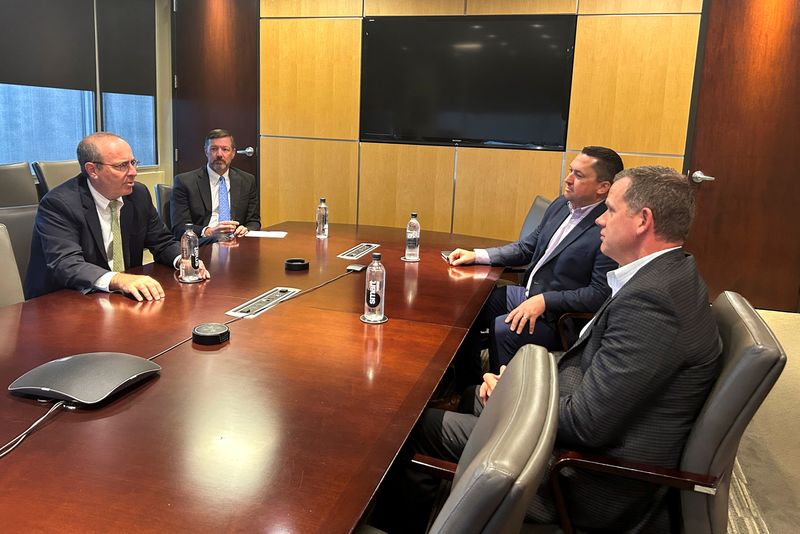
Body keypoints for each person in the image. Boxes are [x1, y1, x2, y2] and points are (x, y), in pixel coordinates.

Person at [385, 166, 722, 533]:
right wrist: (516, 378)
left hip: (584, 480)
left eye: (610, 210)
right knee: (469, 396)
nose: (600, 222)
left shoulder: (655, 305)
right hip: (581, 430)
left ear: (643, 220)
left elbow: (586, 425)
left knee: (410, 429)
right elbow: (588, 363)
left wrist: (514, 395)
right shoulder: (666, 275)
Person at [447, 146, 622, 388]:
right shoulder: (562, 204)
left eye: (579, 175)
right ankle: (467, 386)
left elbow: (599, 293)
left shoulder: (607, 228)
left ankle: (502, 401)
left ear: (603, 187)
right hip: (530, 294)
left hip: (560, 317)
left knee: (503, 329)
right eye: (570, 171)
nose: (568, 179)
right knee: (469, 307)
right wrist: (479, 255)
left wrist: (546, 301)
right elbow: (527, 247)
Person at [25, 132, 210, 301]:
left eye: (133, 162)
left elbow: (161, 241)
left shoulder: (138, 194)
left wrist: (183, 260)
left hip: (117, 299)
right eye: (122, 166)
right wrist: (118, 279)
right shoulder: (58, 204)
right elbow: (66, 264)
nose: (133, 172)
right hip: (65, 301)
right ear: (92, 170)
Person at [170, 128, 260, 241]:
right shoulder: (184, 182)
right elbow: (179, 227)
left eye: (225, 149)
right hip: (203, 243)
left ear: (233, 153)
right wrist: (209, 231)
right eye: (213, 149)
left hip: (236, 241)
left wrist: (246, 229)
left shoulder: (247, 180)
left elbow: (254, 221)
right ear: (206, 151)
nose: (219, 154)